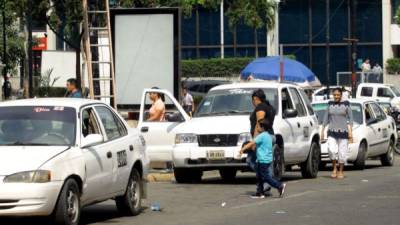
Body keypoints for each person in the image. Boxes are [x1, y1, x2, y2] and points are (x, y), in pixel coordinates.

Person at [239, 119, 286, 199]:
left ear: (262, 127)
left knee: (265, 176)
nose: (257, 128)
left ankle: (279, 186)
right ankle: (260, 193)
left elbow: (251, 143)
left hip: (263, 160)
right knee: (259, 176)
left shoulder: (261, 136)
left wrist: (242, 149)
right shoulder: (268, 136)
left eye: (258, 126)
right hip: (266, 159)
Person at [321, 88, 353, 179]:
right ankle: (334, 168)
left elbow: (350, 119)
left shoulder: (346, 104)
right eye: (334, 95)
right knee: (331, 150)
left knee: (342, 153)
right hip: (332, 132)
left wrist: (350, 132)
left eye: (338, 95)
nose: (336, 96)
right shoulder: (329, 104)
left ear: (341, 95)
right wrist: (322, 131)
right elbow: (325, 118)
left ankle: (340, 171)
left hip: (343, 132)